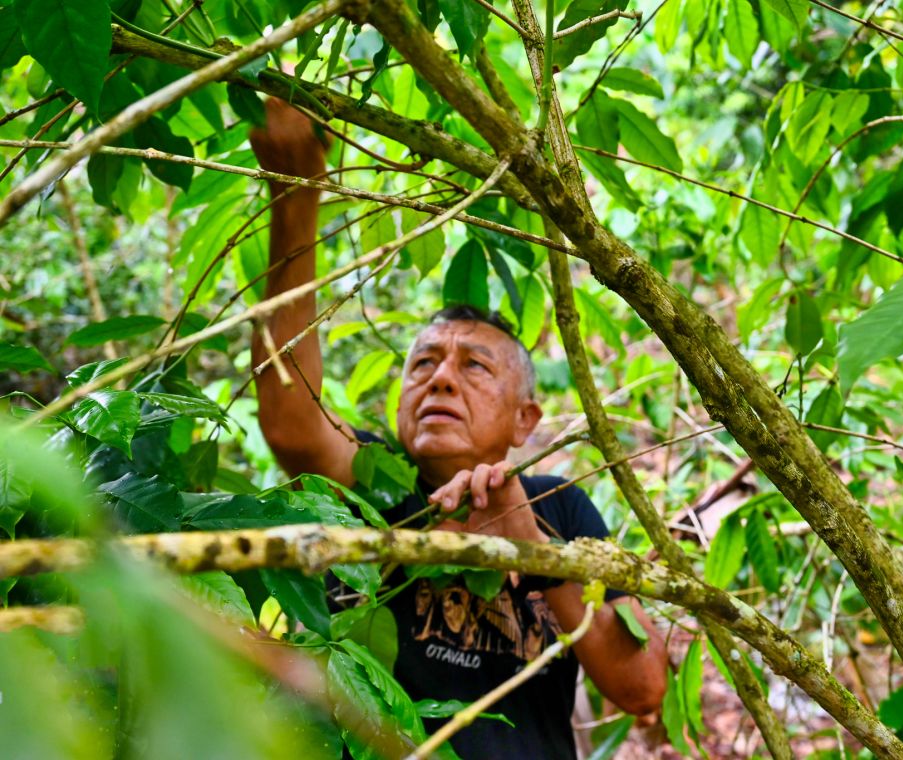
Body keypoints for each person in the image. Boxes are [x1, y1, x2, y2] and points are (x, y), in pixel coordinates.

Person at [249, 99, 668, 759]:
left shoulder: (565, 504)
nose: (440, 379)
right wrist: (296, 196)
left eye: (474, 367)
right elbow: (290, 417)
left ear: (525, 418)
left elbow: (641, 688)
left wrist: (535, 550)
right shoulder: (370, 477)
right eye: (423, 363)